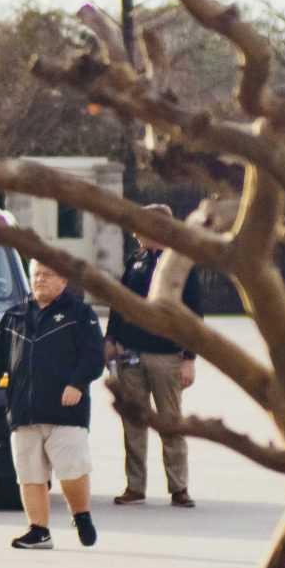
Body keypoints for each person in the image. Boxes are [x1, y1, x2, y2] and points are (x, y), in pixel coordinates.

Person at [0, 259, 105, 550]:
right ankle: (38, 530)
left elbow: (94, 356)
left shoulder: (80, 314)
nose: (40, 280)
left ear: (64, 279)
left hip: (66, 411)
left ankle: (81, 515)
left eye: (47, 274)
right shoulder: (15, 316)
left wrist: (77, 383)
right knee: (29, 474)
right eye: (36, 275)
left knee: (72, 469)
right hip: (23, 410)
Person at [105, 205, 201, 507]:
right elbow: (118, 304)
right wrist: (111, 339)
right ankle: (135, 486)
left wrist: (189, 358)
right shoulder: (135, 261)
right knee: (133, 422)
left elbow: (194, 314)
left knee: (170, 422)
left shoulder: (181, 264)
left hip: (167, 356)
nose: (135, 232)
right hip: (131, 353)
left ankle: (178, 487)